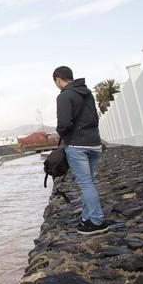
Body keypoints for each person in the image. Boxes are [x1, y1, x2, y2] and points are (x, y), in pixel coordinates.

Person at [53, 66, 109, 235]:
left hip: (77, 145)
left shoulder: (64, 96)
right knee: (88, 183)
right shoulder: (87, 93)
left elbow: (64, 123)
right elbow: (94, 118)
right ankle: (86, 218)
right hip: (94, 143)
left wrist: (64, 137)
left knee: (85, 183)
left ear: (58, 80)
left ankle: (98, 221)